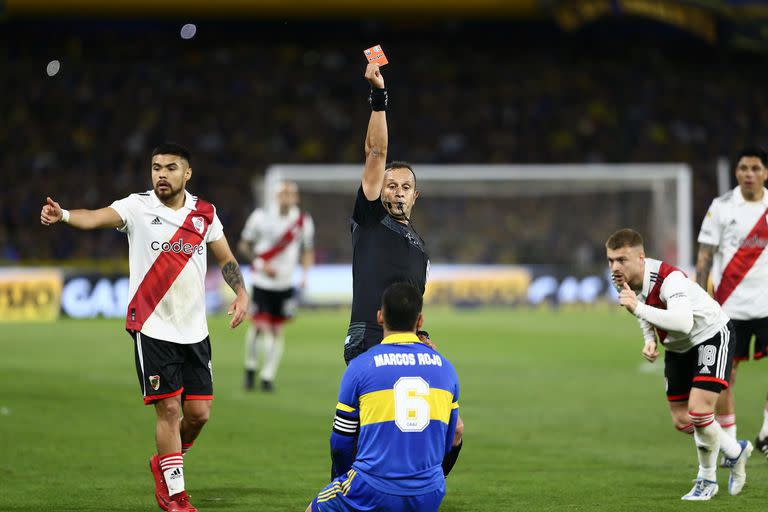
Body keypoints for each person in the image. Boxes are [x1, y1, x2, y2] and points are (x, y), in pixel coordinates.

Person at [40, 143, 249, 512]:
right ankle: (175, 493)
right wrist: (65, 215)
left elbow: (227, 258)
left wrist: (242, 293)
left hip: (194, 329)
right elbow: (96, 216)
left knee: (198, 415)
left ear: (187, 174)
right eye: (155, 167)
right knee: (168, 411)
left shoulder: (205, 213)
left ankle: (165, 461)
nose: (161, 175)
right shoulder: (137, 206)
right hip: (151, 326)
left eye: (170, 168)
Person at [606, 228, 752, 500]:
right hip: (678, 347)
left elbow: (683, 323)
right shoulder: (622, 279)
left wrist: (637, 310)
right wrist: (649, 338)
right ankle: (735, 450)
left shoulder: (669, 279)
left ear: (641, 257)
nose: (615, 267)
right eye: (611, 260)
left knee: (698, 412)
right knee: (681, 418)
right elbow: (639, 306)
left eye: (621, 260)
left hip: (710, 335)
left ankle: (706, 480)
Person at [306, 282, 462, 512]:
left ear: (380, 317)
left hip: (371, 487)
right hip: (429, 493)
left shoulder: (360, 366)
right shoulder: (446, 368)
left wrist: (346, 477)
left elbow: (340, 442)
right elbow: (454, 435)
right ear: (420, 321)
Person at [344, 62, 429, 365]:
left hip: (407, 341)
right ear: (378, 190)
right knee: (369, 415)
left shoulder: (419, 245)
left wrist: (420, 333)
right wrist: (379, 96)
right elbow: (375, 153)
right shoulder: (371, 217)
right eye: (390, 185)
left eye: (406, 187)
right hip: (369, 336)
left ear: (415, 196)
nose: (398, 191)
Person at [696, 146, 768, 458]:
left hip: (767, 305)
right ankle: (731, 442)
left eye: (754, 168)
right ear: (736, 172)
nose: (748, 174)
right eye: (743, 168)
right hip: (729, 307)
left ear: (765, 172)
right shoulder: (722, 207)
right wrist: (699, 301)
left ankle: (767, 432)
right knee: (726, 376)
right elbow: (704, 258)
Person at [237, 180, 315, 392]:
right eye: (283, 194)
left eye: (290, 194)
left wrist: (305, 275)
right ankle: (251, 367)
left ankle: (267, 376)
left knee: (277, 330)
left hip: (285, 284)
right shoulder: (260, 217)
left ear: (296, 198)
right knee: (259, 327)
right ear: (276, 196)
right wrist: (260, 263)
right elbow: (244, 245)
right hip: (262, 282)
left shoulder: (302, 221)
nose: (287, 198)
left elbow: (308, 250)